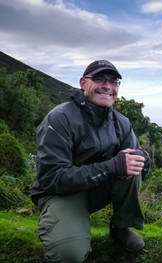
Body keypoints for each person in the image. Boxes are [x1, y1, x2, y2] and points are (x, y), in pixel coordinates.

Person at [31, 60, 150, 263]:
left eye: (113, 82)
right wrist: (113, 166)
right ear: (83, 83)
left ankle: (121, 227)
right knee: (68, 255)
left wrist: (143, 158)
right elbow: (52, 178)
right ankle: (60, 234)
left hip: (97, 187)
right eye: (99, 79)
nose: (107, 86)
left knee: (131, 167)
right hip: (61, 194)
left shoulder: (121, 122)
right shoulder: (60, 118)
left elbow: (136, 163)